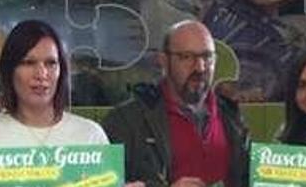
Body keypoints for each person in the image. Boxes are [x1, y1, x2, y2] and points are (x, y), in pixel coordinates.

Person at [103, 20, 250, 187]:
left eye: (207, 57)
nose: (200, 68)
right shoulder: (126, 121)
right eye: (186, 57)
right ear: (164, 61)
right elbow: (106, 182)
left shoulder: (232, 117)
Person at [0, 19, 108, 147]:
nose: (41, 74)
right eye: (29, 63)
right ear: (9, 70)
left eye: (51, 63)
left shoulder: (90, 136)